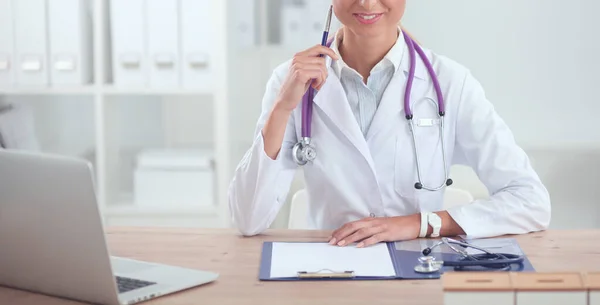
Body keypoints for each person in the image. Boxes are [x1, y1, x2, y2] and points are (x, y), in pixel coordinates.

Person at [227, 0, 551, 247]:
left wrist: (419, 224)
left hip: (416, 275)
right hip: (327, 273)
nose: (367, 2)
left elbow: (530, 201)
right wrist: (283, 107)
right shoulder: (290, 81)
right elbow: (247, 219)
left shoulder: (450, 83)